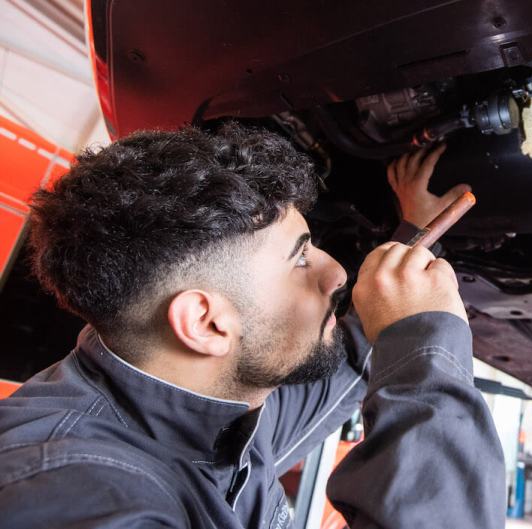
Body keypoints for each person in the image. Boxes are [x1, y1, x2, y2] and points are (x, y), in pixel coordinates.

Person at [0, 124, 504, 528]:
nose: (337, 272)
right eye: (300, 259)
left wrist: (416, 236)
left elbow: (345, 356)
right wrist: (427, 341)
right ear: (205, 321)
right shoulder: (75, 498)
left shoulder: (211, 401)